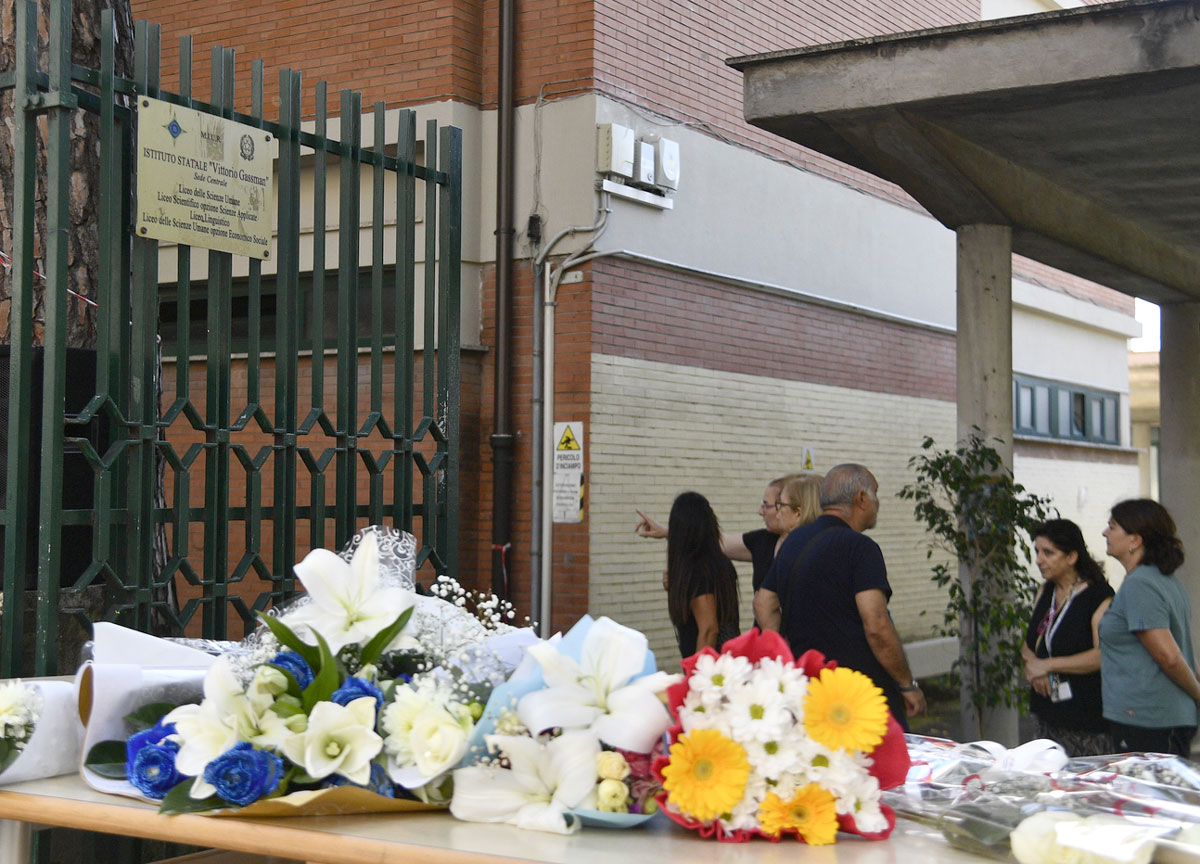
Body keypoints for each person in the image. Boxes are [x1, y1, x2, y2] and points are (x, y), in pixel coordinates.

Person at [754, 463, 926, 728]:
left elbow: (764, 603)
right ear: (861, 499)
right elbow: (877, 625)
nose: (878, 502)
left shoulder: (794, 541)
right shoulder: (860, 548)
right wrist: (906, 684)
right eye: (875, 494)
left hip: (809, 687)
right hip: (860, 694)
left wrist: (789, 654)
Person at [1099, 498, 1200, 757]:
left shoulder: (1141, 584)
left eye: (1112, 527)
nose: (1105, 532)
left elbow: (1168, 656)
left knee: (1153, 797)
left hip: (1148, 720)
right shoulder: (1162, 579)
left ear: (1135, 540)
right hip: (1155, 717)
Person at [1020, 519, 1114, 756]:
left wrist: (1048, 665)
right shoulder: (1046, 591)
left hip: (1085, 719)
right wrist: (1036, 668)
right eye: (1037, 552)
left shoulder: (1098, 595)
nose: (1039, 560)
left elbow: (1102, 655)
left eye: (1048, 553)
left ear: (1071, 557)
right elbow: (1029, 645)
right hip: (1046, 713)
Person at [636, 472, 819, 593]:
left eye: (767, 505)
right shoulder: (763, 541)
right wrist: (669, 532)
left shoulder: (813, 549)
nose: (760, 511)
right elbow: (712, 541)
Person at [665, 491, 740, 657]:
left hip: (712, 670)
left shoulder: (697, 570)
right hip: (728, 661)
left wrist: (696, 676)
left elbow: (709, 630)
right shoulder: (718, 563)